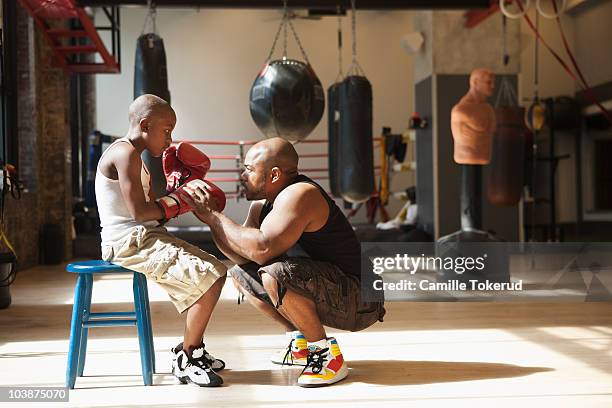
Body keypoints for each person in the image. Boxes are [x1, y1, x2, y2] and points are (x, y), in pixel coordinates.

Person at [183, 137, 385, 388]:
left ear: (274, 174)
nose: (242, 175)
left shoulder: (301, 194)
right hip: (332, 287)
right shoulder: (262, 204)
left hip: (361, 298)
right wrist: (210, 220)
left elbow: (262, 248)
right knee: (242, 274)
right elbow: (243, 255)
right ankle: (299, 341)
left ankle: (325, 355)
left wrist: (215, 216)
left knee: (274, 273)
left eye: (249, 169)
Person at [95, 94, 227, 387]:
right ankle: (186, 358)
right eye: (167, 130)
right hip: (127, 241)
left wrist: (178, 193)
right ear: (145, 124)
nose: (170, 139)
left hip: (143, 235)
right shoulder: (124, 153)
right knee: (211, 277)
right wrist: (178, 199)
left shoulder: (135, 158)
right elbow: (141, 213)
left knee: (216, 269)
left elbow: (153, 214)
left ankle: (194, 348)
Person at [451, 68, 496, 165]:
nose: (493, 86)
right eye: (488, 82)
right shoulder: (461, 110)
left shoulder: (489, 109)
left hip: (484, 157)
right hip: (467, 157)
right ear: (475, 82)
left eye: (493, 82)